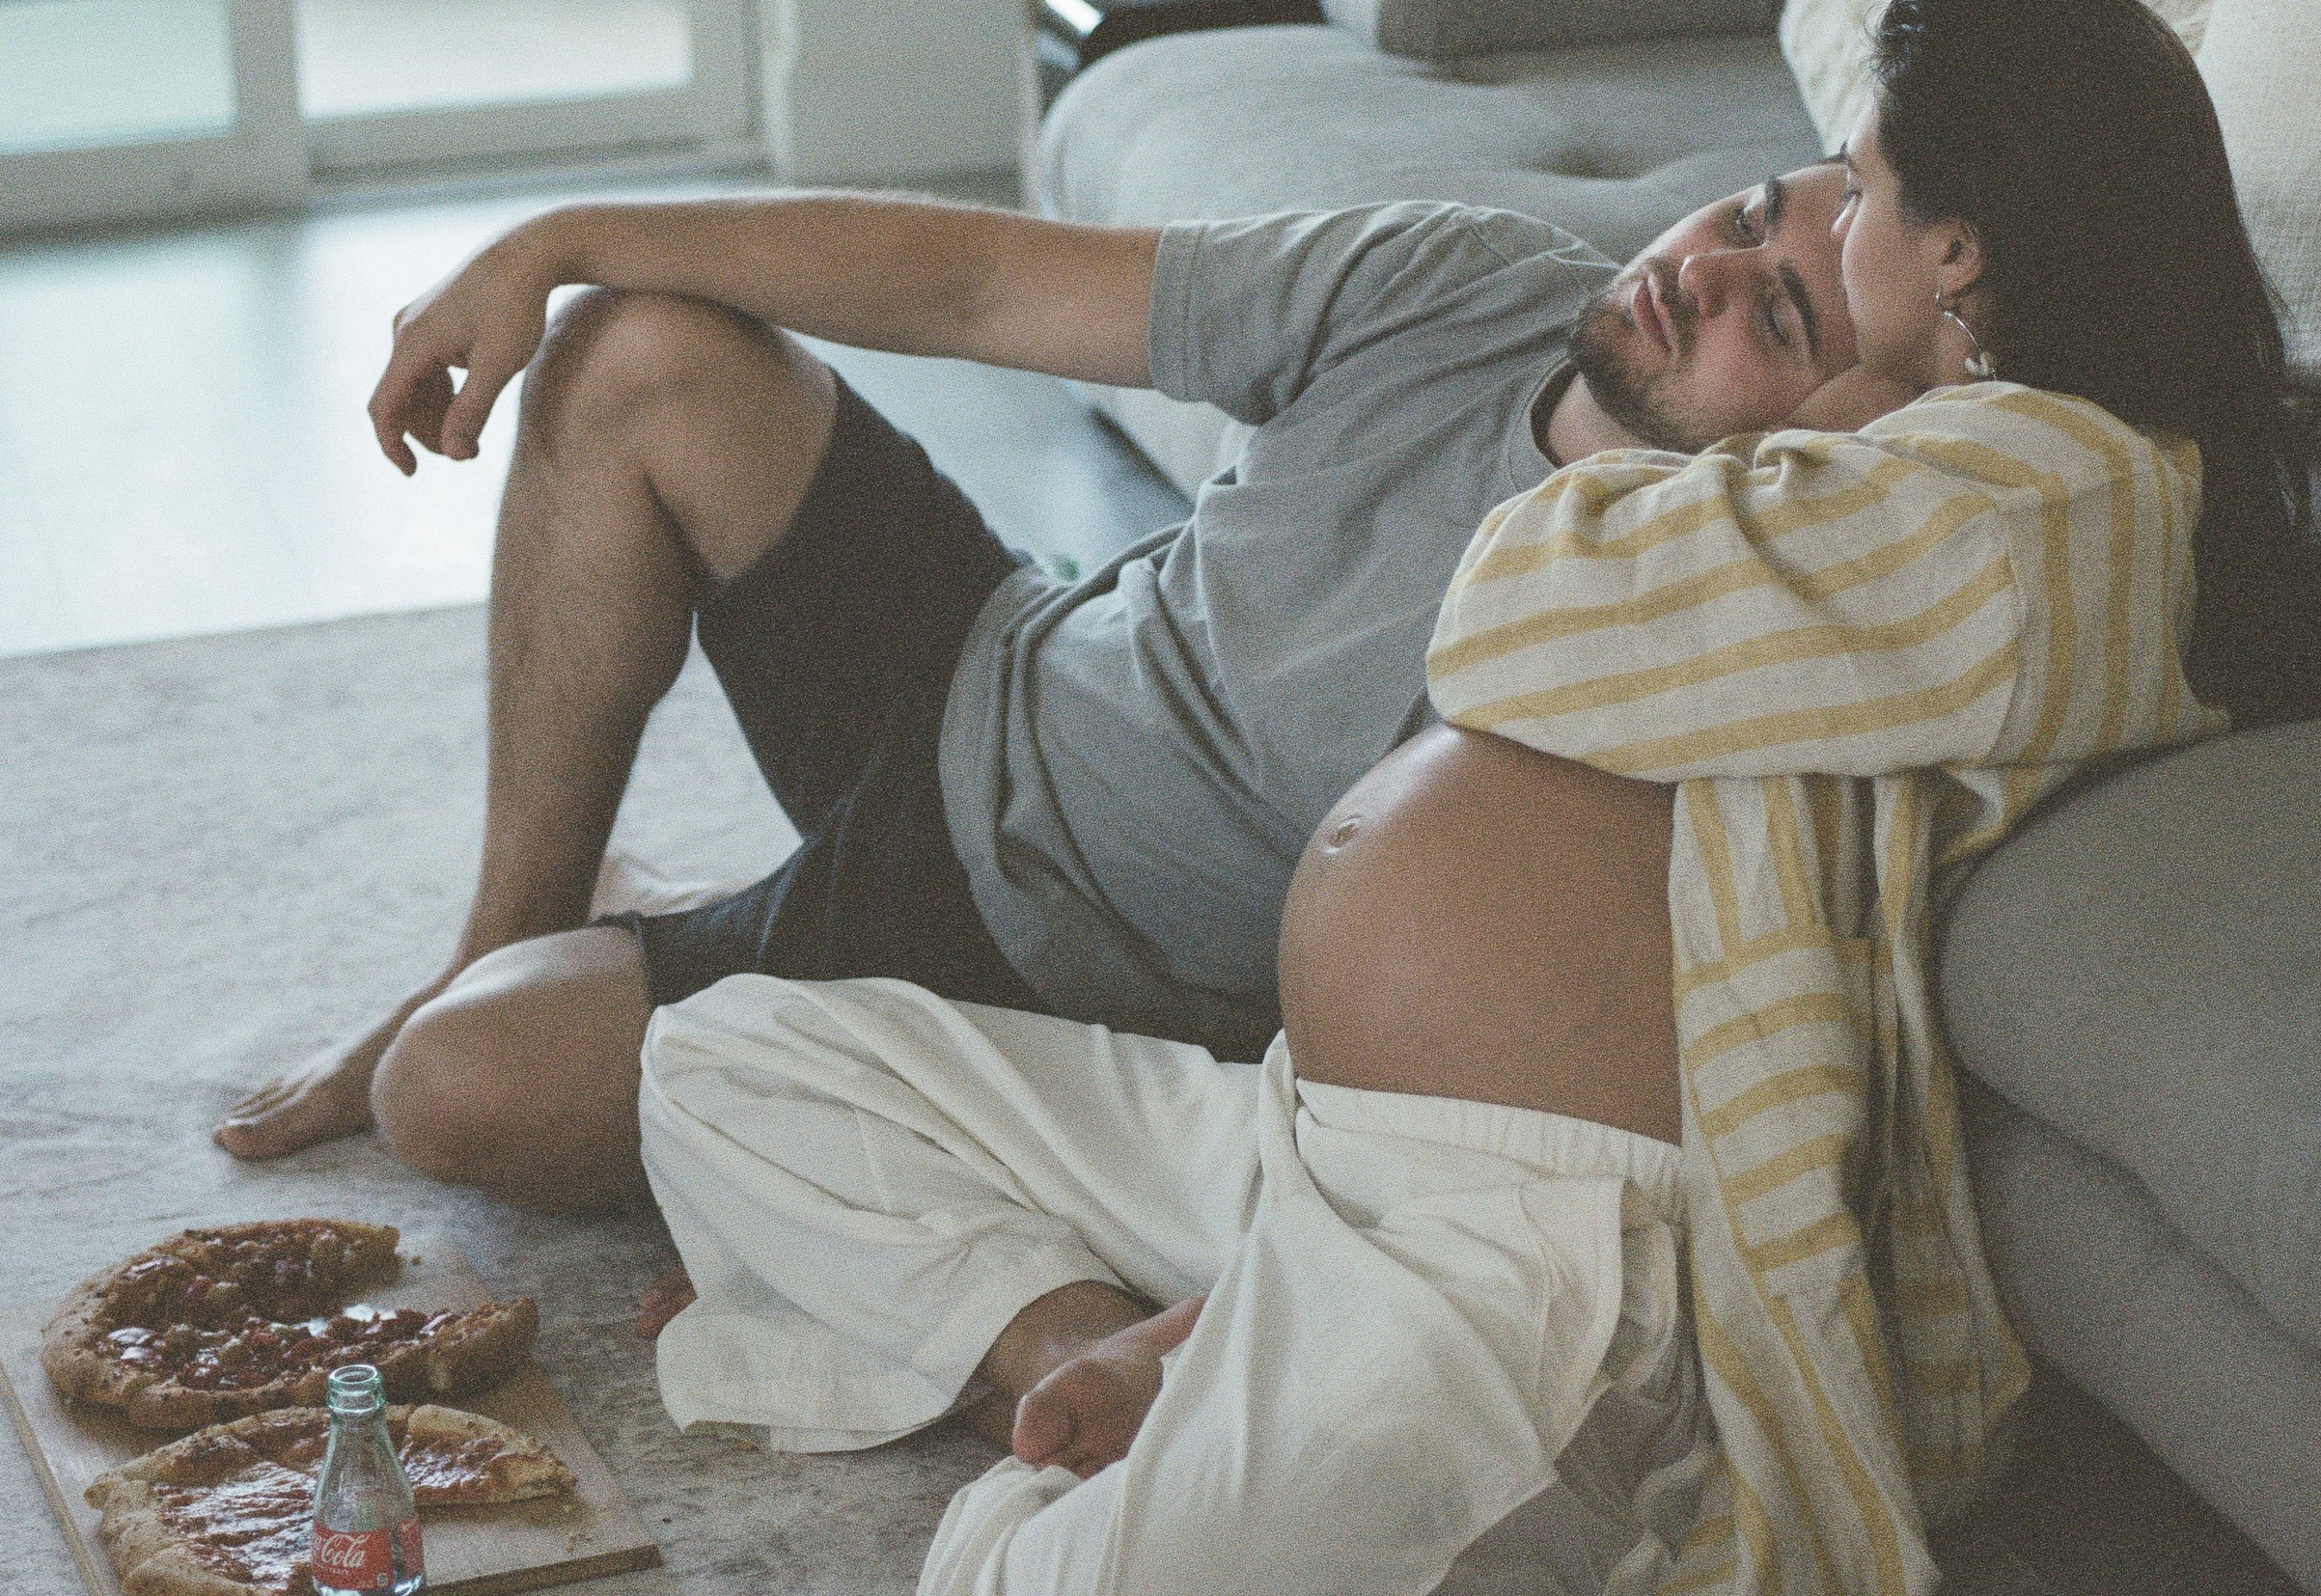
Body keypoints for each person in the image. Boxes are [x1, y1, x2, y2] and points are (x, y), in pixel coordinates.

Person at [630, 0, 2305, 1596]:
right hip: (1315, 1146)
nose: (1813, 216)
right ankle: (1094, 1333)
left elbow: (1528, 602)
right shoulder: (1909, 462)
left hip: (1523, 1270)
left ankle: (1166, 1443)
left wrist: (1808, 402)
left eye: (1849, 188)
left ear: (1963, 250)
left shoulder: (2027, 497)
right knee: (717, 1054)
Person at [215, 165, 1862, 1207]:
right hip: (995, 655)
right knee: (637, 351)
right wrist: (554, 234)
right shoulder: (1475, 280)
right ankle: (506, 935)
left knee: (458, 1089)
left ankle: (645, 1006)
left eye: (1775, 316)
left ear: (1843, 439)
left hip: (1007, 960)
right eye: (1737, 215)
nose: (1701, 273)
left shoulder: (1649, 617)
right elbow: (986, 283)